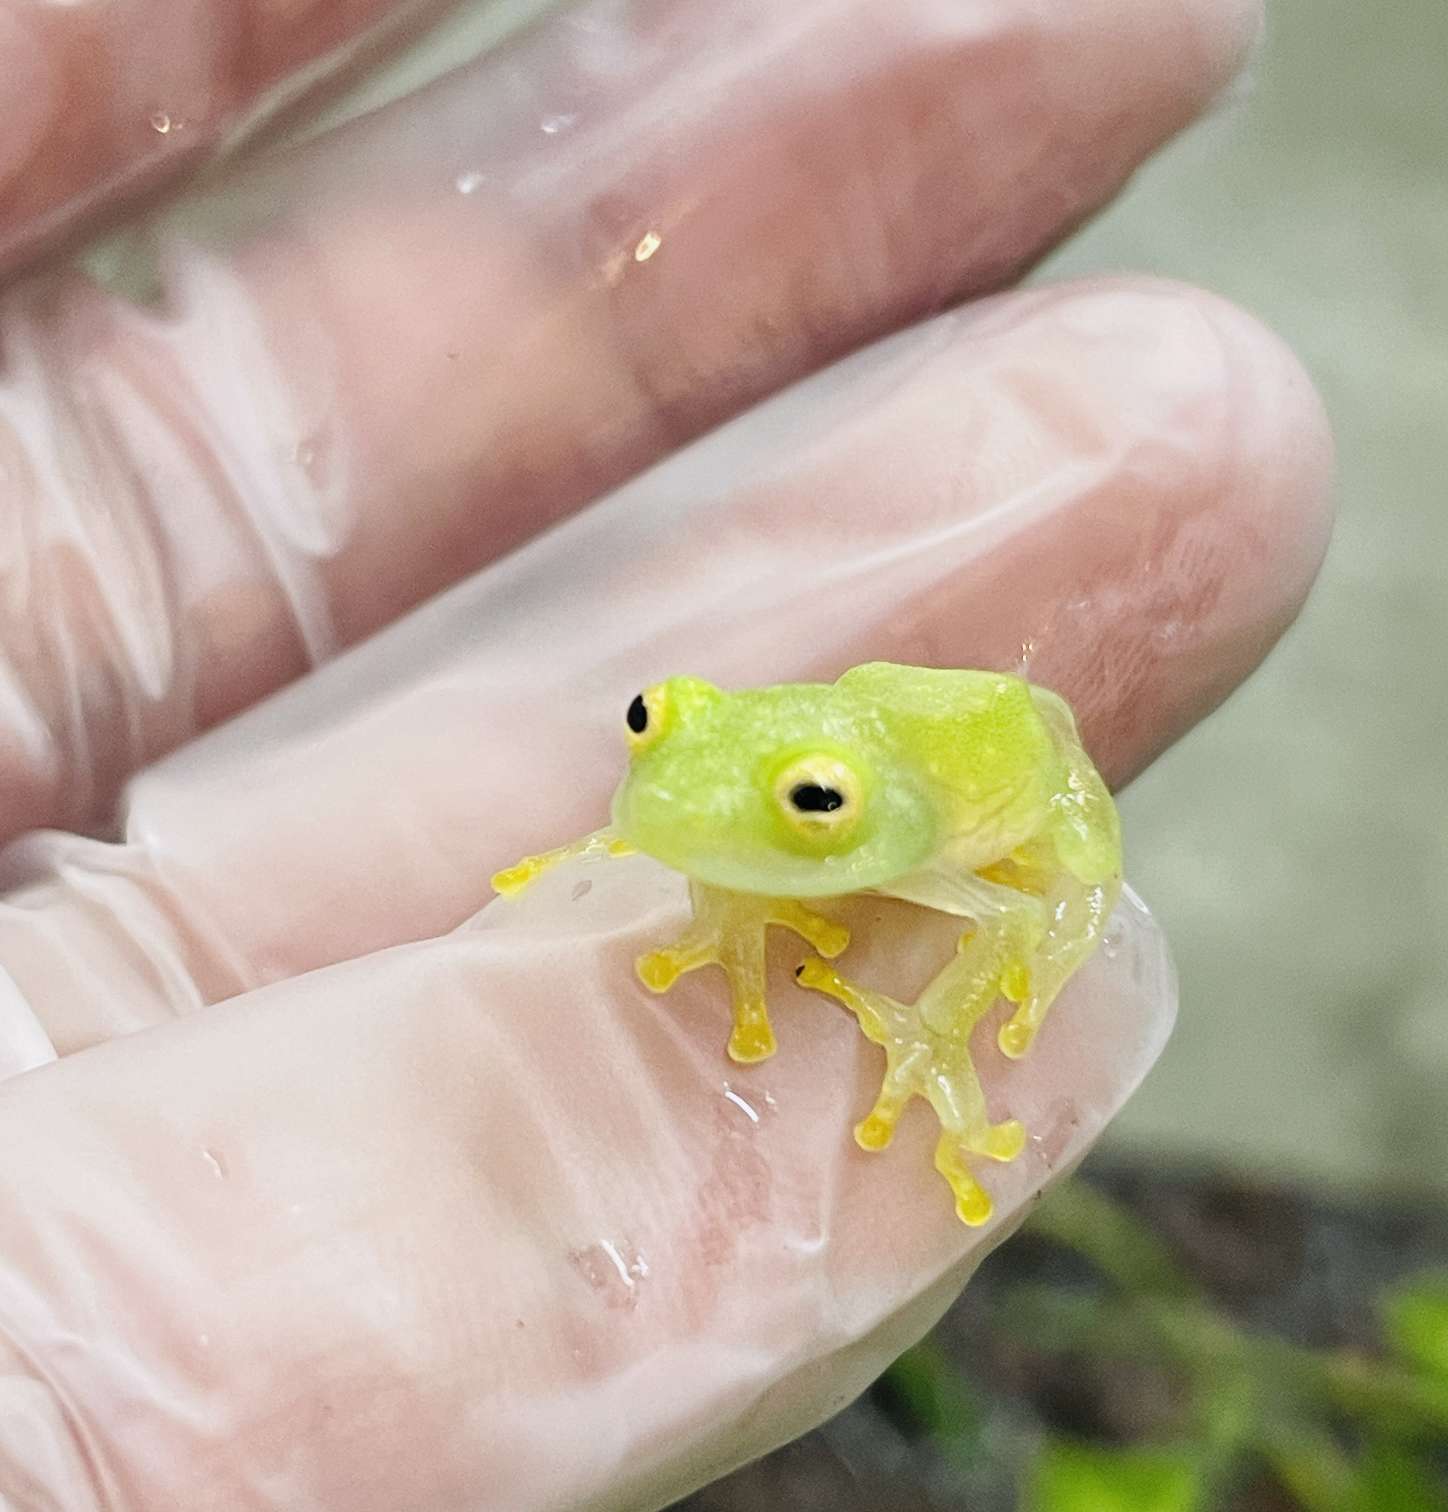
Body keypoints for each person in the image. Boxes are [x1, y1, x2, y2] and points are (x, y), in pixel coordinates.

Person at [0, 0, 1332, 1505]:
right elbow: (707, 782)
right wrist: (720, 853)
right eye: (648, 723)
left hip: (978, 782)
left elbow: (1013, 865)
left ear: (851, 806)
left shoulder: (928, 829)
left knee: (1030, 892)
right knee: (720, 818)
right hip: (853, 748)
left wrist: (951, 1009)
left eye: (812, 806)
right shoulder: (734, 773)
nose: (653, 775)